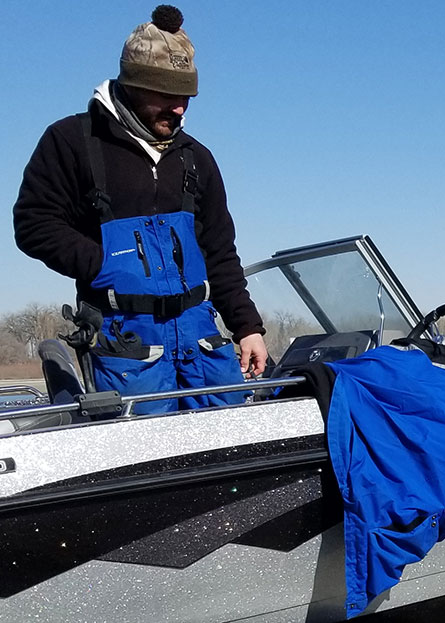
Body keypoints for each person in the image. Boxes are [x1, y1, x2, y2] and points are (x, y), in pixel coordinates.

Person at [14, 5, 267, 414]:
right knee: (147, 457)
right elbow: (33, 224)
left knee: (232, 448)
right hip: (125, 346)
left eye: (186, 97)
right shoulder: (71, 141)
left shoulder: (196, 158)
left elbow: (220, 251)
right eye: (167, 95)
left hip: (202, 339)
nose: (180, 108)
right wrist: (105, 263)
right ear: (133, 84)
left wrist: (247, 327)